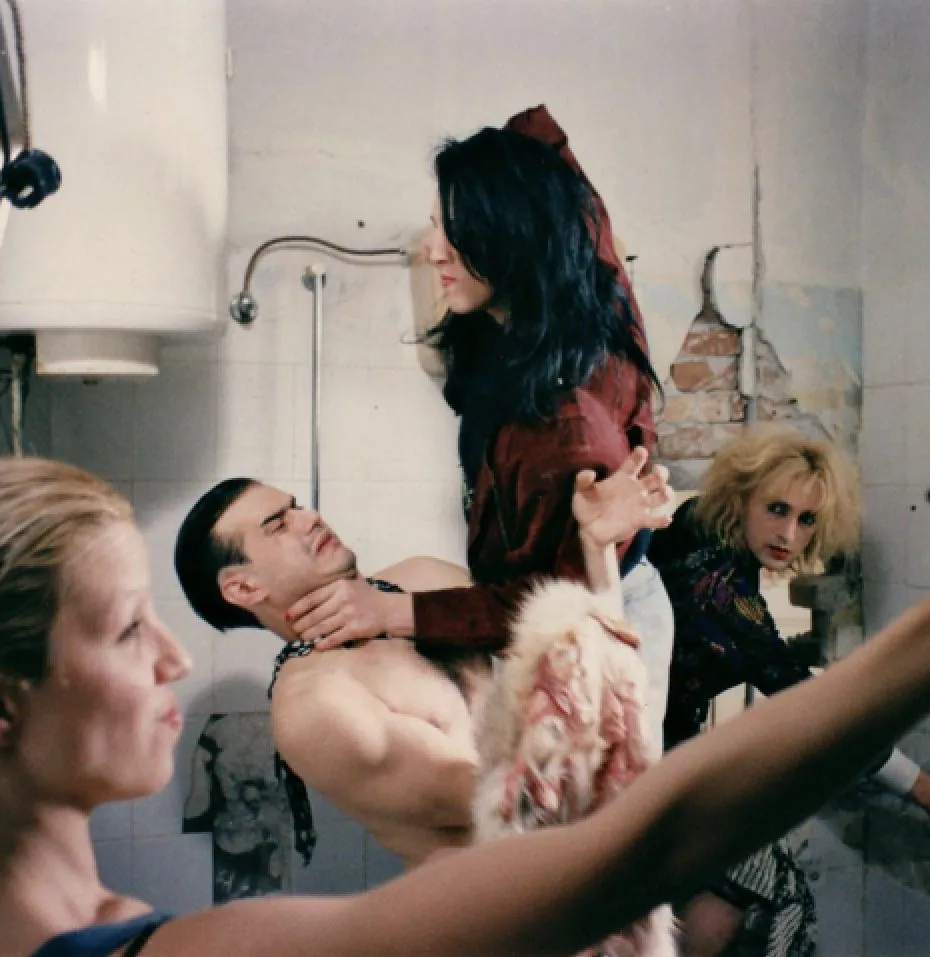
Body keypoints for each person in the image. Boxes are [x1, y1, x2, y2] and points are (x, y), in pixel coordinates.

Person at [0, 447, 930, 957]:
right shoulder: (205, 913)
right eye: (126, 631)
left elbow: (593, 705)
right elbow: (602, 825)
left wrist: (597, 554)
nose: (173, 662)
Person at [282, 106, 676, 744]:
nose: (431, 249)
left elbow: (550, 605)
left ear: (513, 238)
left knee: (588, 799)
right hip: (571, 603)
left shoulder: (564, 427)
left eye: (456, 230)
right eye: (437, 223)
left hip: (601, 623)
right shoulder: (572, 305)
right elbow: (565, 189)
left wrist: (390, 611)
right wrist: (511, 154)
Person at [174, 448, 672, 869]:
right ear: (243, 588)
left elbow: (585, 658)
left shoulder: (421, 579)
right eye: (278, 525)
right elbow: (523, 808)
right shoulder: (316, 706)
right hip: (511, 917)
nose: (310, 518)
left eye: (297, 507)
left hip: (595, 861)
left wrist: (596, 546)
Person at [647, 425, 930, 957]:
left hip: (647, 750)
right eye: (777, 509)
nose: (788, 534)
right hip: (643, 764)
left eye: (806, 519)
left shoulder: (697, 525)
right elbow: (817, 713)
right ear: (741, 498)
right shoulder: (720, 590)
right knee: (775, 895)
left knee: (726, 901)